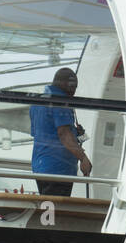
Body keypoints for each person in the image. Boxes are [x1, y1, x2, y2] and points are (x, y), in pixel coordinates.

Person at [29, 67, 91, 196]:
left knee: (49, 209)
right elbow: (64, 135)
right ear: (66, 84)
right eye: (74, 86)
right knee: (56, 210)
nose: (74, 91)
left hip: (41, 166)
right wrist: (83, 158)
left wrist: (74, 131)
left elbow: (42, 133)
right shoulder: (60, 101)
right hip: (58, 168)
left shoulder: (37, 102)